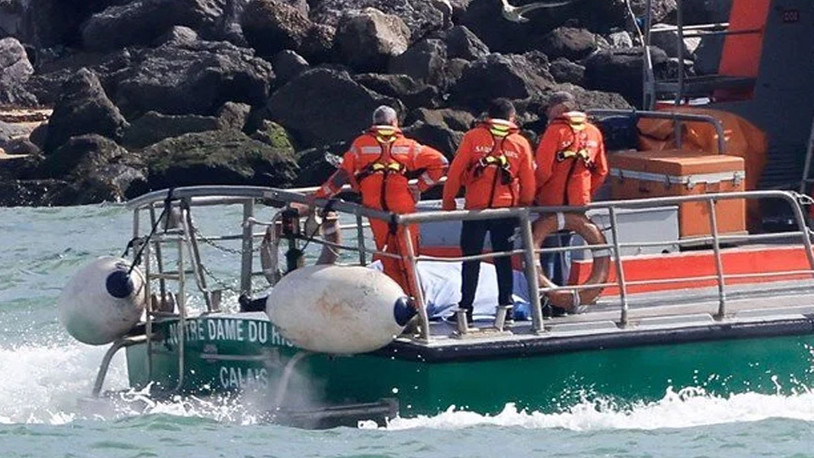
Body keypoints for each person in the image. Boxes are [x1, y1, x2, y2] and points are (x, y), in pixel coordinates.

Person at [312, 105, 448, 298]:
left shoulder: (360, 145)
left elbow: (341, 177)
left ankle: (396, 304)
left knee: (389, 260)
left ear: (374, 123)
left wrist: (319, 196)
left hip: (376, 210)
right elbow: (441, 163)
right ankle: (416, 306)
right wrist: (420, 186)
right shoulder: (408, 145)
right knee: (409, 259)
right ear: (395, 123)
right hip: (403, 208)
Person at [442, 98, 536, 324]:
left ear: (488, 116)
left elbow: (455, 172)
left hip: (475, 210)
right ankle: (507, 308)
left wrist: (449, 202)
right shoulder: (521, 143)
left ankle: (466, 309)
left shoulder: (473, 137)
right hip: (506, 211)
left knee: (471, 259)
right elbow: (529, 181)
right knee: (504, 259)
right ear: (511, 118)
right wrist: (523, 206)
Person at [535, 91, 608, 291]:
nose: (548, 113)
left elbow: (543, 170)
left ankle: (549, 300)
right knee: (565, 249)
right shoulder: (594, 132)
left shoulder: (554, 132)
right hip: (578, 203)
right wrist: (586, 191)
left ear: (560, 108)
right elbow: (601, 171)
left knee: (548, 251)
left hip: (552, 202)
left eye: (549, 108)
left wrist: (534, 193)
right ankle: (564, 297)